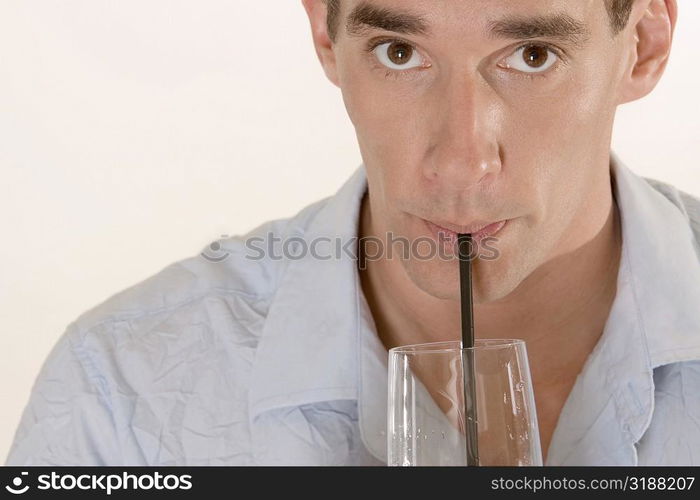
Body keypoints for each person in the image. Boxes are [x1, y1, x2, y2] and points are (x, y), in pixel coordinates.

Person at [6, 0, 699, 466]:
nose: (459, 163)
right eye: (399, 51)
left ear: (643, 44)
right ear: (325, 37)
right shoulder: (123, 392)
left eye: (534, 55)